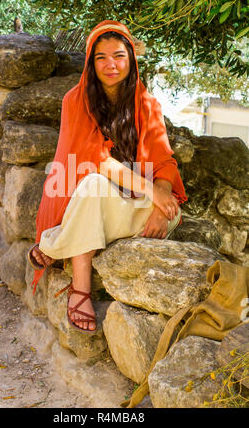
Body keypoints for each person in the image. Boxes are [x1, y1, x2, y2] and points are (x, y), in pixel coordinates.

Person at [27, 20, 187, 335]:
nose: (110, 65)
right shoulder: (75, 101)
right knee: (93, 185)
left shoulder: (148, 105)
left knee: (174, 213)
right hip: (87, 198)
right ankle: (81, 287)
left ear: (131, 60)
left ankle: (58, 244)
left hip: (130, 206)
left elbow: (164, 162)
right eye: (101, 57)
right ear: (91, 61)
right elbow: (95, 162)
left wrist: (159, 203)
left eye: (119, 56)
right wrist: (153, 192)